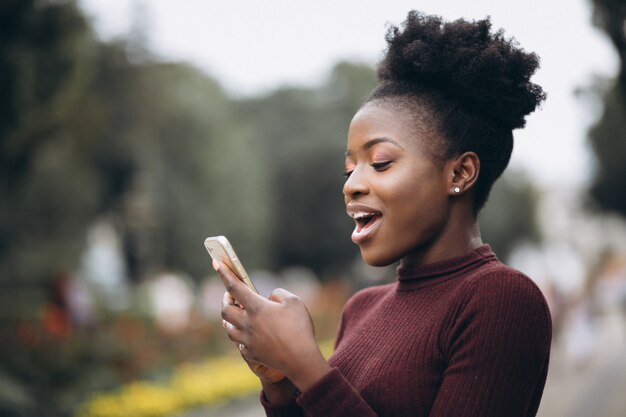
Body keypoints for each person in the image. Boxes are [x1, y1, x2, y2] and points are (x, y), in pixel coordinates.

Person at [215, 10, 552, 417]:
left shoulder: (500, 299)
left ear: (460, 173)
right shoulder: (361, 308)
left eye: (380, 162)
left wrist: (309, 367)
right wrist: (282, 383)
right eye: (348, 167)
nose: (351, 184)